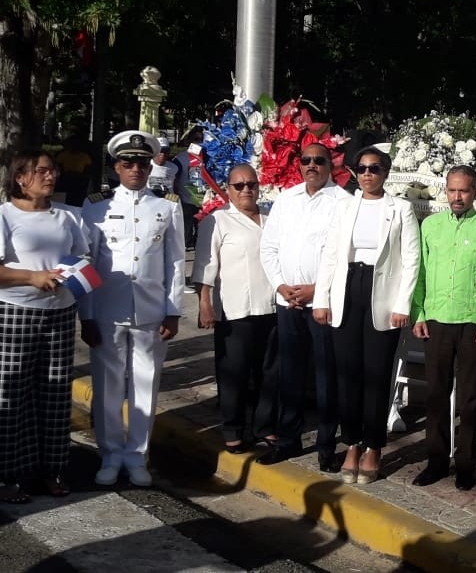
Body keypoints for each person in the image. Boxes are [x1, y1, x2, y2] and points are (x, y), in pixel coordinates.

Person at [80, 131, 185, 488]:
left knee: (145, 384)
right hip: (107, 311)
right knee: (108, 386)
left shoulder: (167, 205)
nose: (135, 168)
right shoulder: (96, 206)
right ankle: (110, 453)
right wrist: (87, 315)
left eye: (141, 162)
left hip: (151, 311)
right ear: (116, 167)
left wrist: (173, 310)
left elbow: (174, 262)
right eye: (128, 163)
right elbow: (87, 264)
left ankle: (138, 455)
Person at [313, 146, 420, 484]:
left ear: (385, 172)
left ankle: (374, 446)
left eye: (375, 168)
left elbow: (411, 260)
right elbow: (330, 254)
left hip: (382, 293)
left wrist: (403, 304)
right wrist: (321, 298)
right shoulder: (345, 207)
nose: (367, 174)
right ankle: (352, 444)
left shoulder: (400, 209)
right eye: (361, 168)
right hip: (347, 288)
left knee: (376, 375)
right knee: (348, 376)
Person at [0, 150, 90, 503]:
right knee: (13, 394)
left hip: (60, 312)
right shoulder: (5, 215)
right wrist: (31, 276)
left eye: (53, 170)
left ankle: (51, 468)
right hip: (17, 312)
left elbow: (83, 257)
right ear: (21, 178)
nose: (50, 176)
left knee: (53, 394)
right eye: (42, 171)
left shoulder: (66, 217)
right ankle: (8, 474)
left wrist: (74, 275)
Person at [410, 165, 476, 491]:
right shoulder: (430, 227)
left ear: (475, 192)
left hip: (472, 321)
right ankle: (436, 461)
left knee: (468, 398)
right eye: (452, 190)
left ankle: (465, 464)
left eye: (463, 190)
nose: (457, 197)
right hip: (436, 318)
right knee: (436, 393)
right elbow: (419, 273)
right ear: (445, 191)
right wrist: (418, 313)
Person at [258, 143, 353, 469]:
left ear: (331, 164)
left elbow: (345, 258)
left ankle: (327, 448)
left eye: (319, 161)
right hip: (289, 303)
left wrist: (317, 289)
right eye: (306, 160)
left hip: (322, 303)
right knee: (290, 375)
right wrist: (281, 286)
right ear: (299, 165)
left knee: (327, 377)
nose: (312, 165)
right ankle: (288, 440)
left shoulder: (344, 203)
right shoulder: (286, 200)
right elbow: (268, 248)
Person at [193, 164, 278, 454]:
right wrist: (204, 304)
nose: (246, 190)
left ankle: (265, 427)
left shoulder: (271, 218)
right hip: (235, 309)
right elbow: (205, 265)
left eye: (251, 184)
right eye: (239, 185)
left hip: (271, 307)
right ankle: (233, 428)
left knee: (268, 373)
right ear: (228, 189)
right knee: (234, 373)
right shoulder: (217, 221)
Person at [54, 134, 93, 207]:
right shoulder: (62, 155)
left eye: (76, 144)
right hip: (65, 182)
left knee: (78, 203)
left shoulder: (85, 157)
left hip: (79, 183)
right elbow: (59, 170)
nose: (74, 146)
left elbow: (87, 172)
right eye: (71, 144)